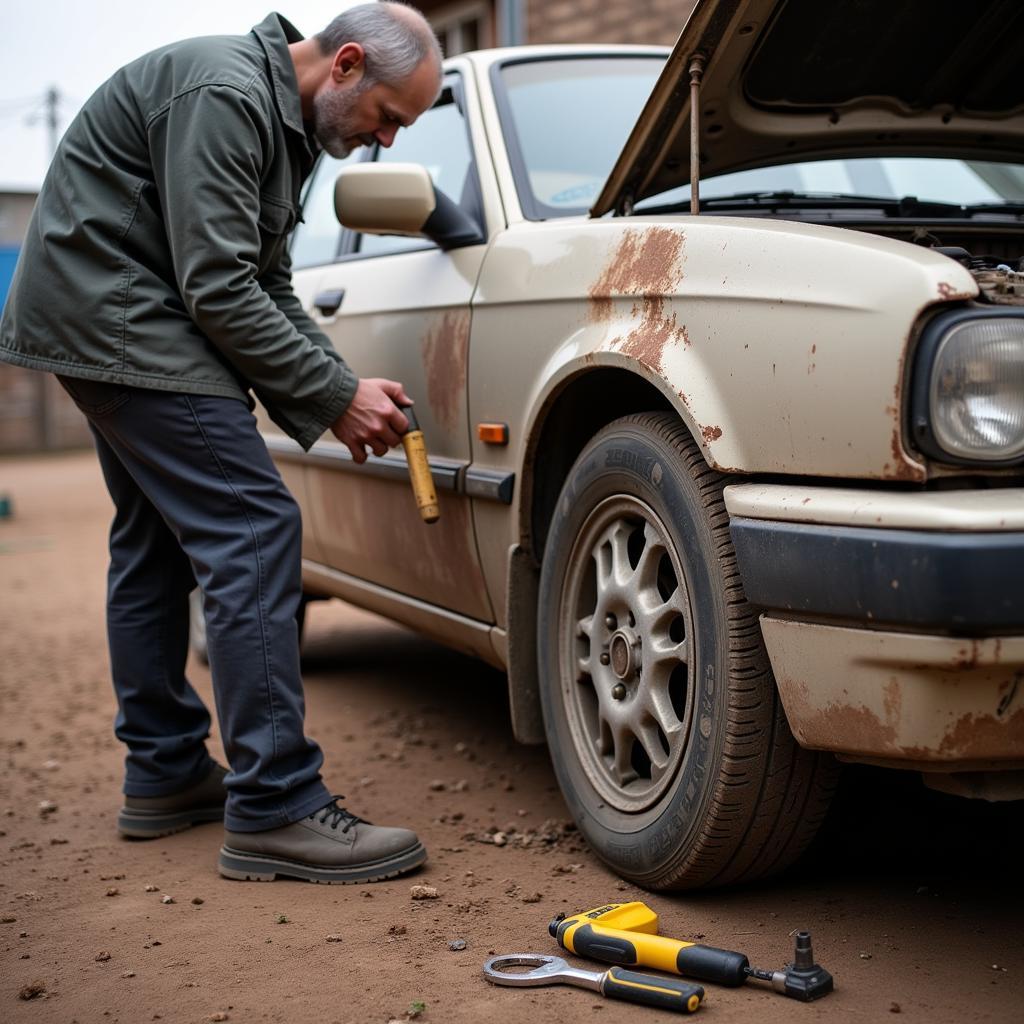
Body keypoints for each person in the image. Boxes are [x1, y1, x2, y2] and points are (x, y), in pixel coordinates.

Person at [0, 3, 443, 884]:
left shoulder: (288, 128)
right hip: (126, 324)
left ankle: (165, 774)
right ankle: (277, 804)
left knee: (155, 544)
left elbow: (266, 279)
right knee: (252, 527)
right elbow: (217, 286)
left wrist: (339, 385)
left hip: (113, 322)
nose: (387, 142)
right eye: (390, 117)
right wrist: (331, 396)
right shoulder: (225, 93)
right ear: (346, 64)